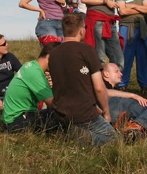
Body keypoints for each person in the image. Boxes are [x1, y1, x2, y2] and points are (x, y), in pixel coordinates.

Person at [49, 12, 118, 146]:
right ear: (81, 30)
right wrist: (106, 112)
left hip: (60, 112)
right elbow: (99, 87)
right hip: (83, 113)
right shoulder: (87, 50)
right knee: (113, 139)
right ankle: (81, 138)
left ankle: (68, 132)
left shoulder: (54, 54)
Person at [1, 42, 60, 133]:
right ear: (50, 57)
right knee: (61, 116)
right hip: (16, 123)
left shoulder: (31, 65)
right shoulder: (35, 73)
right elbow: (53, 104)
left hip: (14, 118)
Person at [113, 0, 147, 96]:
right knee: (125, 56)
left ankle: (146, 85)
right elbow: (122, 11)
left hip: (142, 27)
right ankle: (121, 84)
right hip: (126, 26)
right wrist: (139, 7)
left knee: (144, 56)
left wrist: (131, 5)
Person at [102, 63, 147, 142]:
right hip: (112, 104)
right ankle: (135, 127)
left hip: (115, 109)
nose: (121, 74)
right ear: (106, 74)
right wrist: (133, 95)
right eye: (117, 71)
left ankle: (129, 127)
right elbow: (105, 92)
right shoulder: (101, 84)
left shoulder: (111, 88)